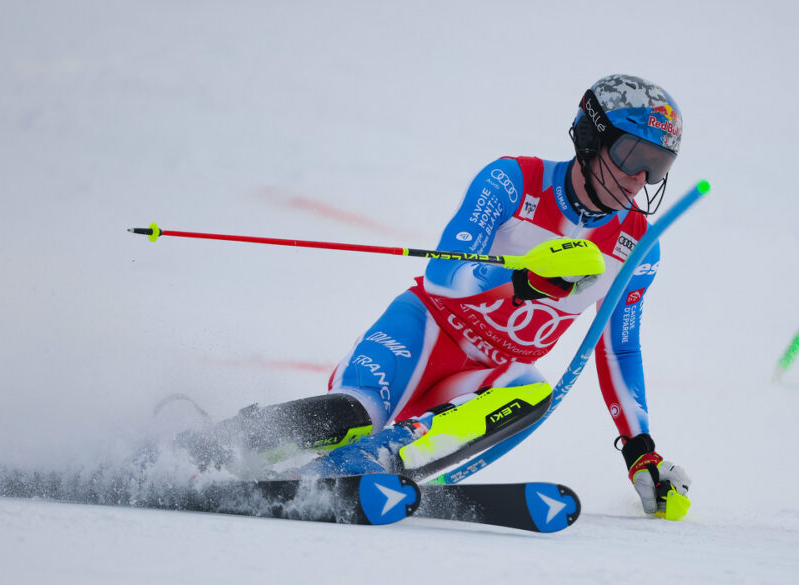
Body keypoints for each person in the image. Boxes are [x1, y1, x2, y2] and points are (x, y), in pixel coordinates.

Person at [183, 74, 692, 518]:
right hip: (425, 332)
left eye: (658, 165)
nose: (639, 179)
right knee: (355, 413)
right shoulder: (513, 180)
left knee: (535, 393)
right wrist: (523, 282)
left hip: (485, 377)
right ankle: (204, 448)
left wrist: (639, 451)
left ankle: (378, 464)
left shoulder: (637, 248)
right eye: (631, 155)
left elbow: (618, 348)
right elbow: (444, 277)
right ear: (591, 137)